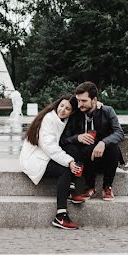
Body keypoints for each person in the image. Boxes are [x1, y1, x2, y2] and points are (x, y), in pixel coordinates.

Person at [19, 95, 83, 230]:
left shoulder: (63, 120)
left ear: (71, 112)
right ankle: (60, 215)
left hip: (45, 155)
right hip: (35, 158)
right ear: (57, 104)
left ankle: (71, 188)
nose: (63, 110)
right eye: (61, 106)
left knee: (74, 148)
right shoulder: (49, 118)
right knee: (65, 169)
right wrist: (70, 161)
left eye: (67, 109)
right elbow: (49, 147)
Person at [61, 81, 124, 203]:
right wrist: (77, 137)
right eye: (78, 100)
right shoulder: (75, 114)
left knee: (113, 147)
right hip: (84, 160)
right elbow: (64, 139)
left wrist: (103, 143)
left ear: (94, 100)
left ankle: (107, 187)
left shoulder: (107, 111)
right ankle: (89, 187)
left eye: (84, 101)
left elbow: (119, 133)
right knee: (83, 149)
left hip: (105, 158)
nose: (80, 104)